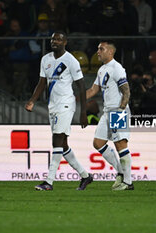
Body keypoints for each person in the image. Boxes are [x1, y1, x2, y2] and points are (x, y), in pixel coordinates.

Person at [25, 31, 92, 191]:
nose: (54, 41)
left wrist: (83, 112)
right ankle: (85, 176)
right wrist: (32, 100)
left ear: (65, 42)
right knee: (63, 145)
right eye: (53, 39)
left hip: (66, 104)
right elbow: (42, 83)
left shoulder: (71, 60)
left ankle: (49, 182)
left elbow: (81, 87)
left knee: (56, 140)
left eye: (58, 39)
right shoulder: (45, 59)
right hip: (53, 105)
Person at [86, 40, 134, 191]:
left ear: (111, 52)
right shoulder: (102, 70)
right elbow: (93, 90)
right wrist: (75, 98)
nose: (98, 52)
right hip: (107, 112)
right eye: (98, 48)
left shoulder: (116, 68)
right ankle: (120, 171)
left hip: (118, 111)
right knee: (98, 143)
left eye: (101, 49)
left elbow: (126, 90)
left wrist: (121, 109)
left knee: (120, 145)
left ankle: (128, 182)